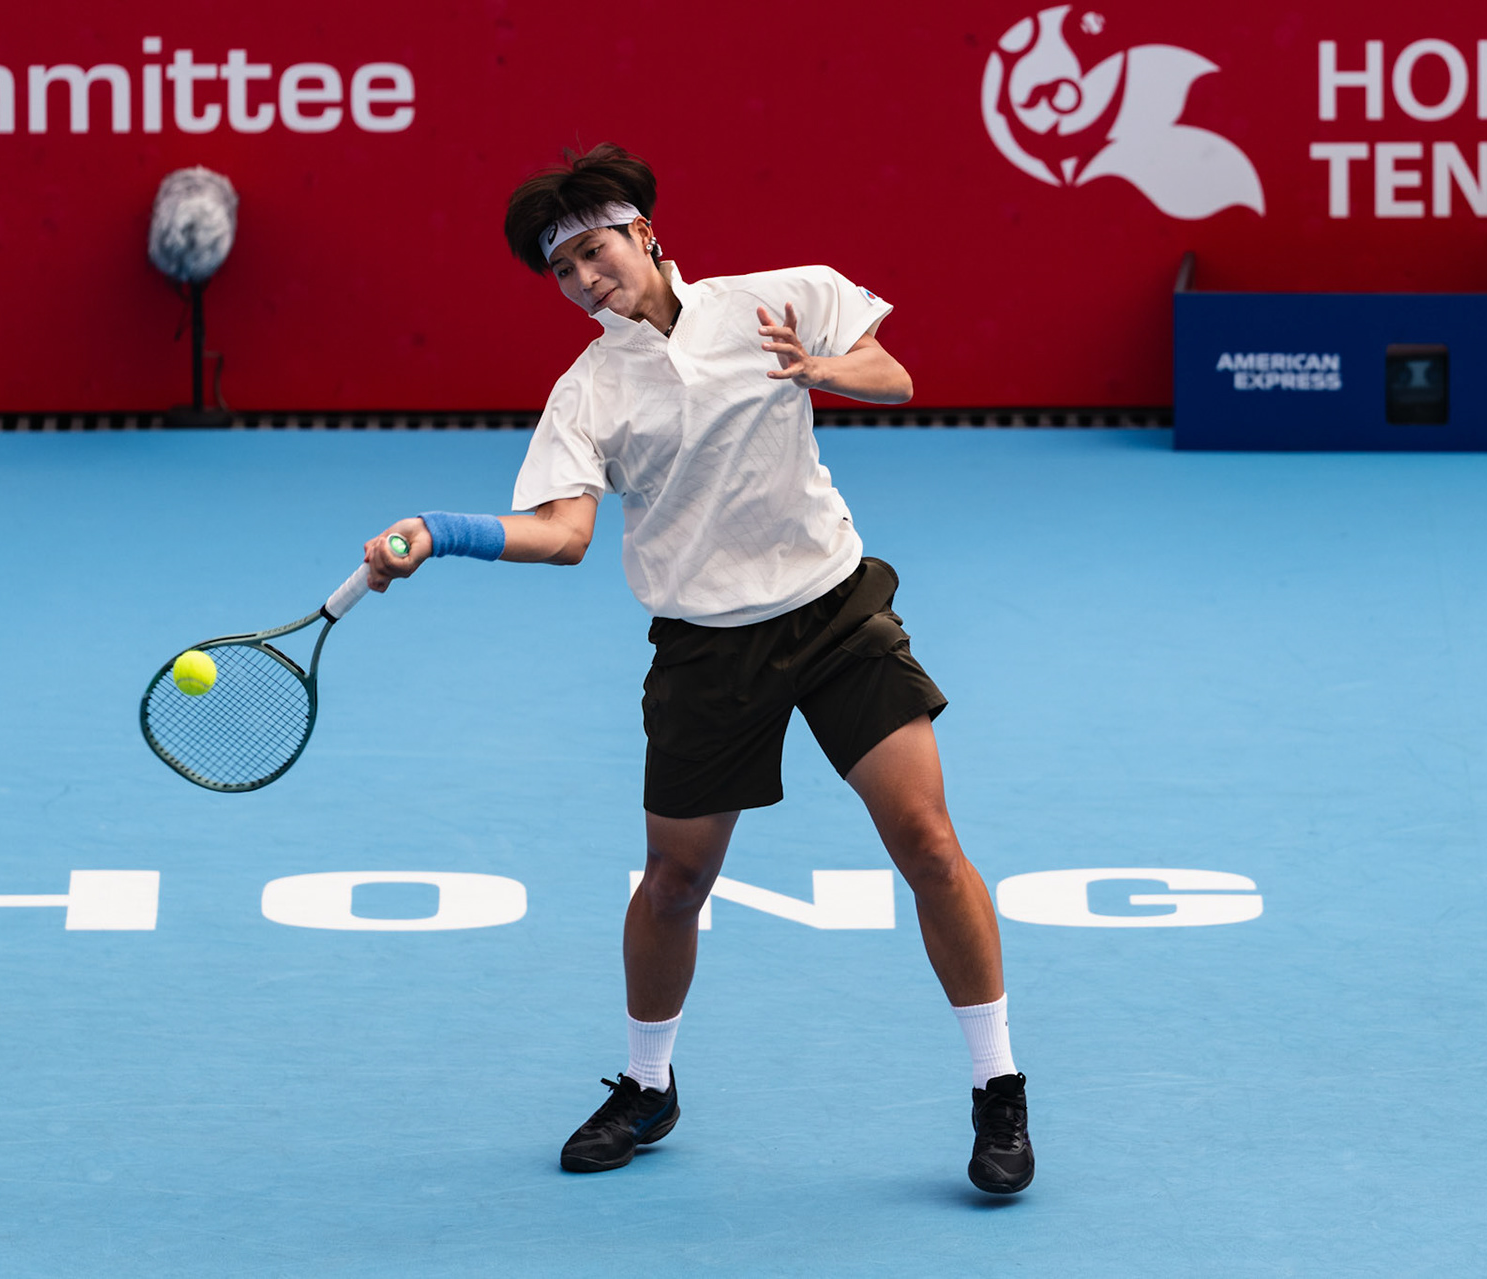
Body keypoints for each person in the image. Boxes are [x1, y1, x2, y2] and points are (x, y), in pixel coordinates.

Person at [361, 144, 1032, 1195]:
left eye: (597, 250)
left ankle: (998, 1089)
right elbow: (566, 532)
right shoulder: (586, 391)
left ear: (647, 237)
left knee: (929, 842)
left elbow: (894, 378)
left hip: (835, 610)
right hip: (705, 646)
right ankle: (647, 1084)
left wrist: (819, 370)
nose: (587, 279)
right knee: (675, 883)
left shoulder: (781, 298)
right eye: (564, 270)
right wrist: (442, 533)